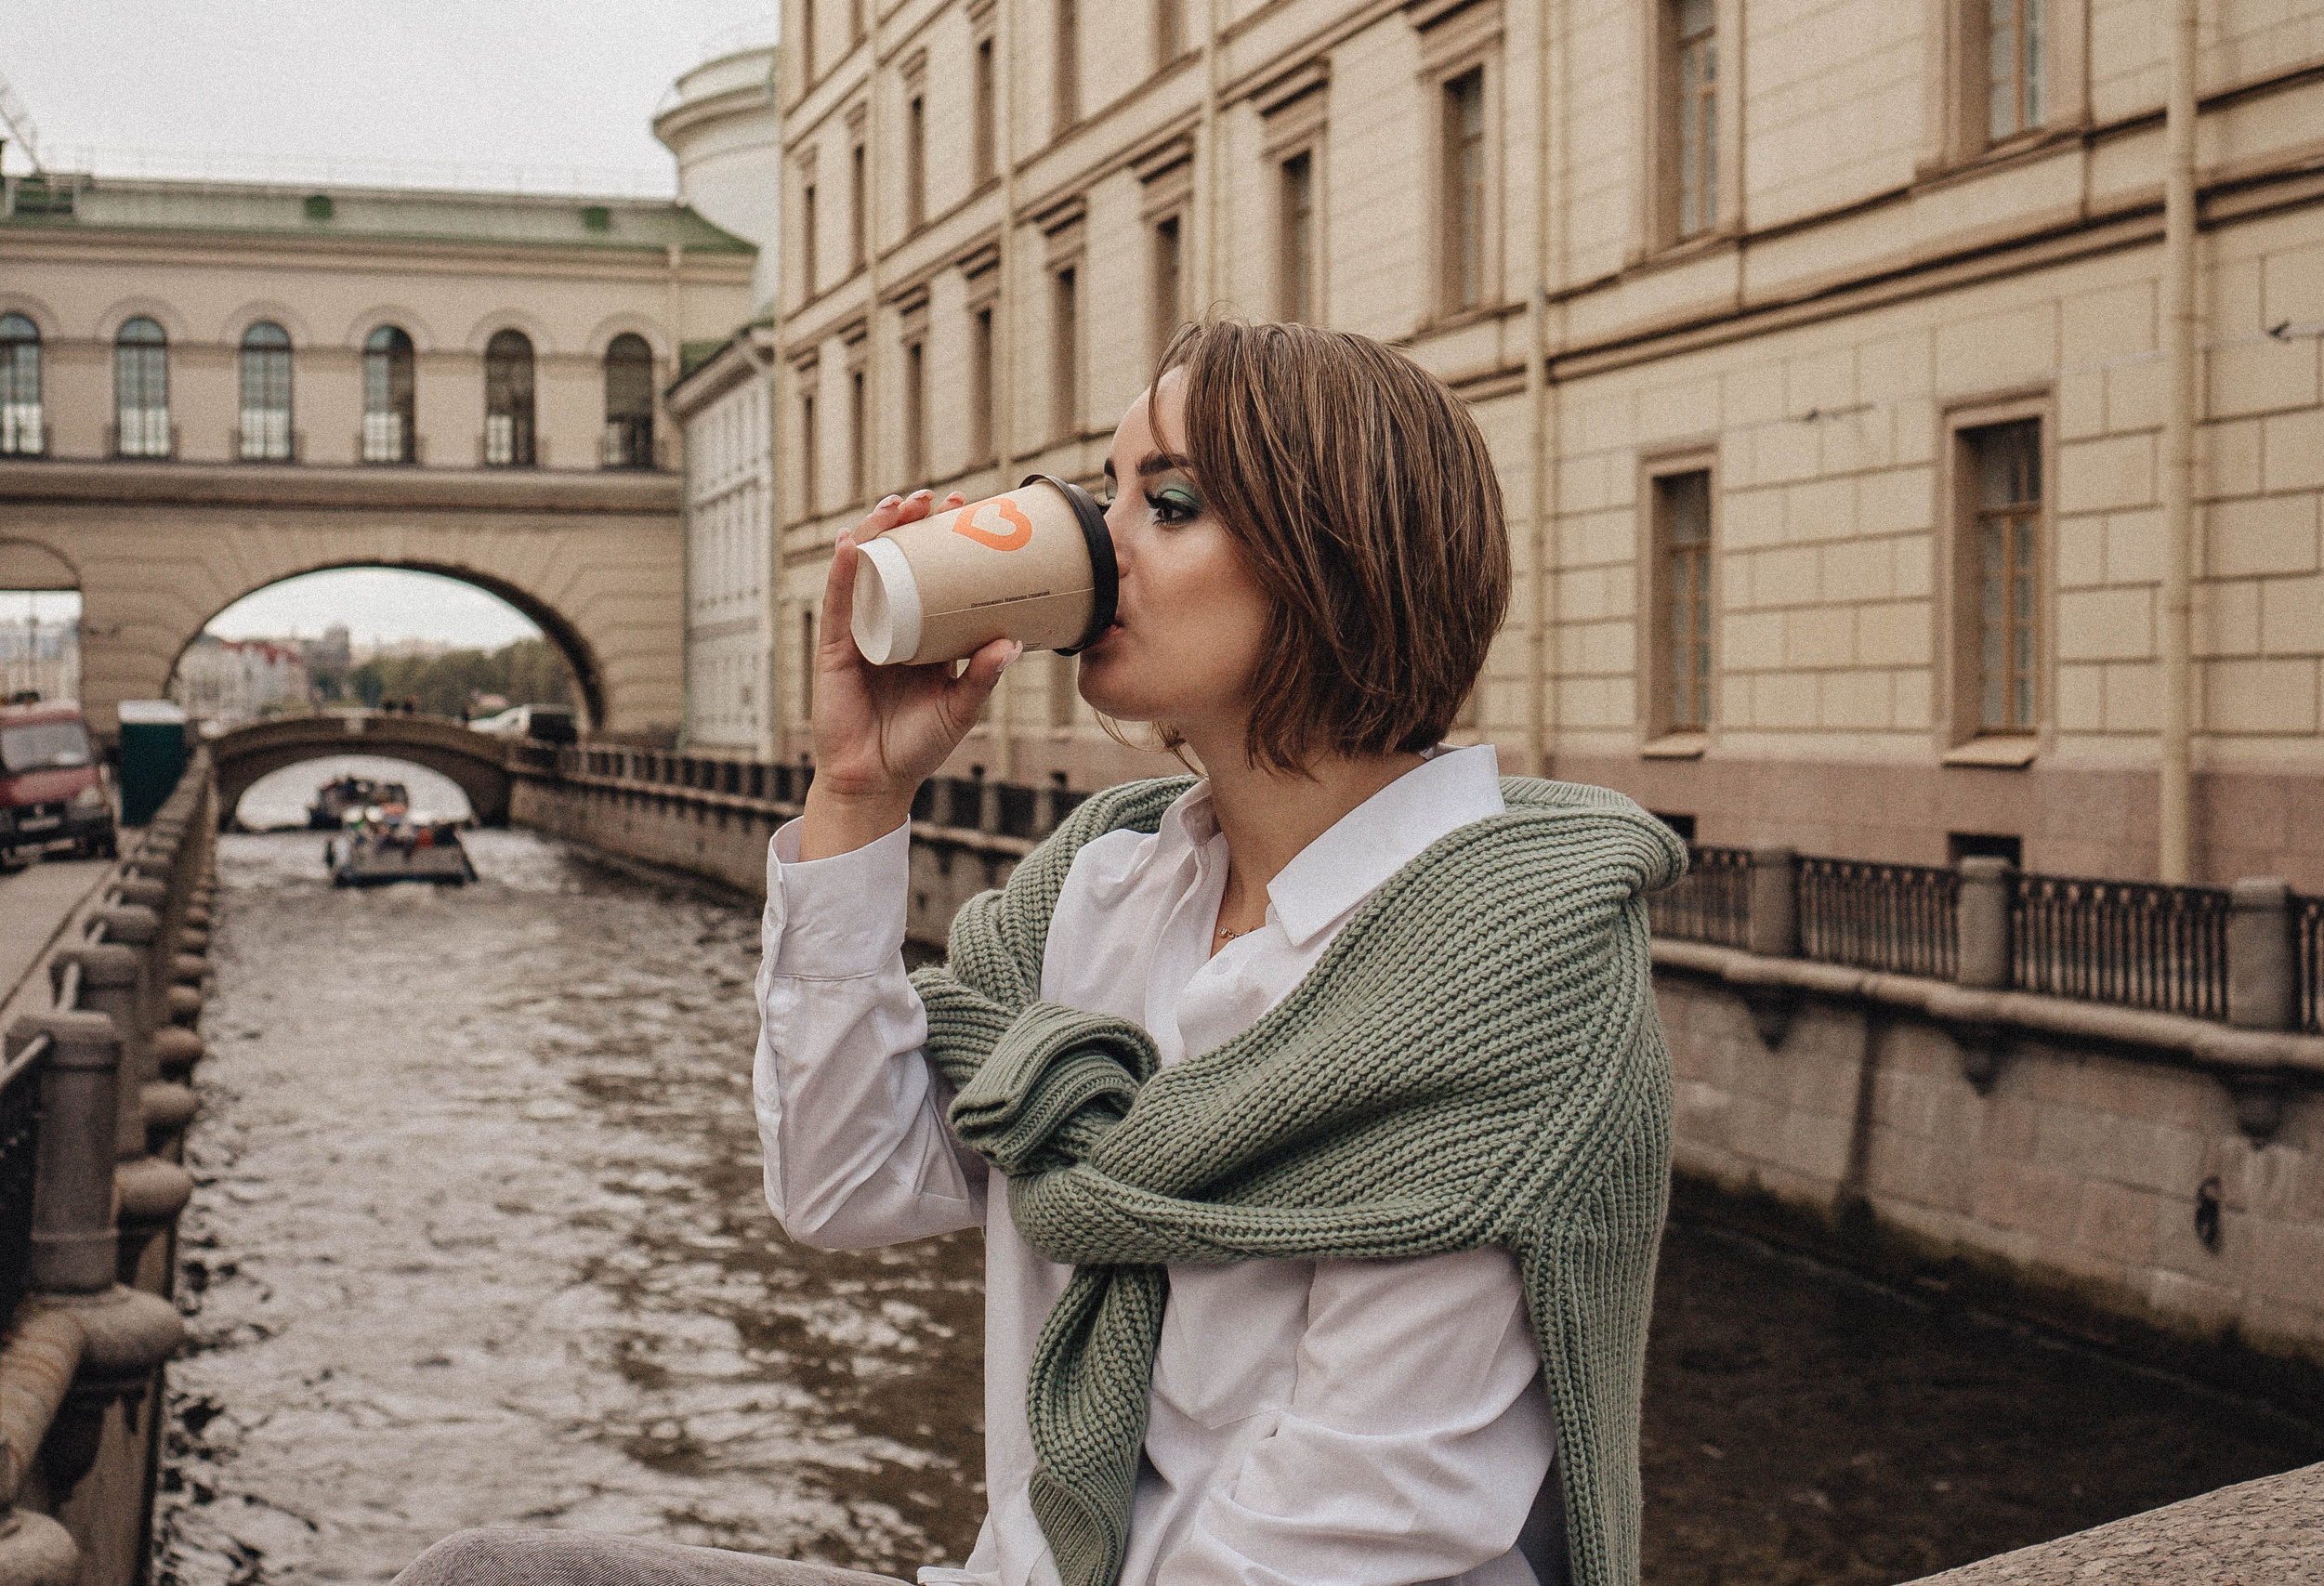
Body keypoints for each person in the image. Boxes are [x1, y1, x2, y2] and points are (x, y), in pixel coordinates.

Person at [393, 320, 1683, 1586]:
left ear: (1335, 561)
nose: (1098, 543)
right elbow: (844, 1185)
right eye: (1105, 491)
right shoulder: (1107, 885)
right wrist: (856, 792)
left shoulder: (1505, 974)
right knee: (485, 1576)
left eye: (1167, 502)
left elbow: (1349, 1536)